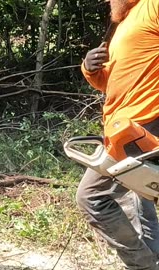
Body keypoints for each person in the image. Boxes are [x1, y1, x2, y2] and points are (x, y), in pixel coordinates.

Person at [77, 0, 159, 269]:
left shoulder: (153, 6)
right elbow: (109, 80)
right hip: (123, 127)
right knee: (139, 196)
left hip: (146, 121)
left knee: (92, 196)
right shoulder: (126, 20)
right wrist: (89, 68)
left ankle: (143, 265)